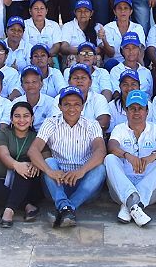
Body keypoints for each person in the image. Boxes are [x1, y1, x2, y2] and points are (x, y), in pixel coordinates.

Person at [29, 86, 107, 228]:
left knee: (100, 169)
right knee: (49, 162)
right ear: (59, 106)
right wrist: (49, 171)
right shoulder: (51, 123)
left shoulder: (92, 124)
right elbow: (33, 150)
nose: (72, 108)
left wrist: (81, 171)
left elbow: (100, 151)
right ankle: (67, 207)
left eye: (77, 104)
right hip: (57, 182)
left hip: (85, 184)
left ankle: (65, 207)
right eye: (67, 104)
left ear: (82, 106)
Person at [103, 90, 156, 226]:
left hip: (149, 190)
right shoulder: (119, 128)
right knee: (110, 159)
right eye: (132, 108)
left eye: (140, 108)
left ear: (147, 111)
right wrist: (127, 155)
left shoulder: (154, 129)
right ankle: (135, 204)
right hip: (120, 187)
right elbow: (112, 145)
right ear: (126, 111)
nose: (136, 112)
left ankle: (129, 204)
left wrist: (153, 156)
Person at [0, 100, 44, 226]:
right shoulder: (3, 133)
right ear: (11, 119)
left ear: (32, 118)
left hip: (29, 185)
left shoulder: (37, 137)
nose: (22, 120)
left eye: (26, 116)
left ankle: (9, 211)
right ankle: (27, 206)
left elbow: (46, 155)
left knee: (25, 164)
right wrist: (17, 166)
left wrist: (36, 162)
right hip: (3, 183)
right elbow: (3, 155)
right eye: (17, 116)